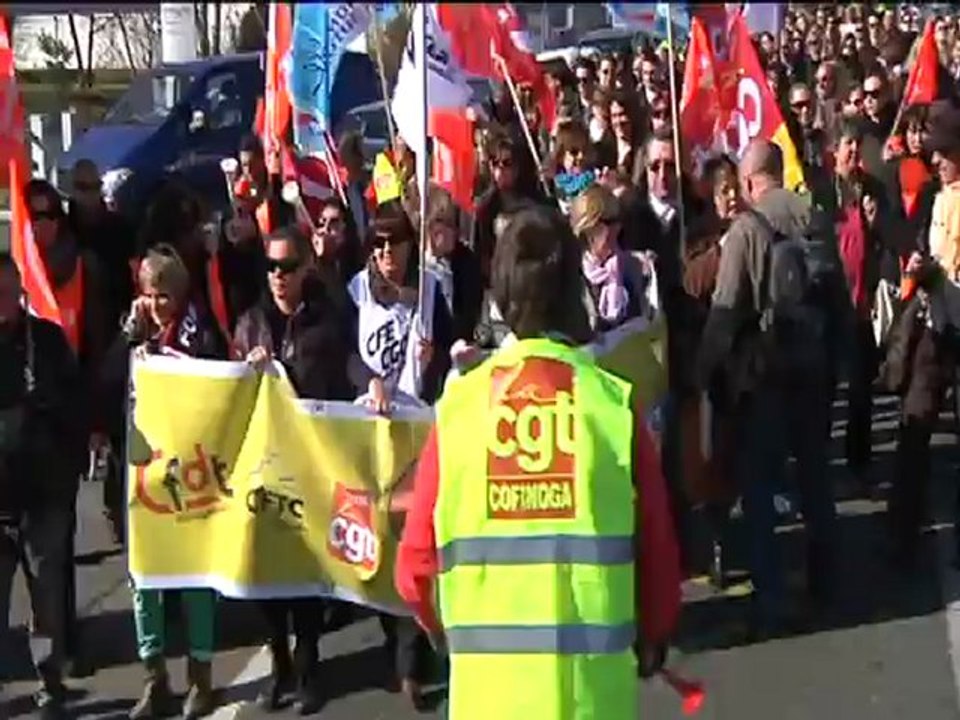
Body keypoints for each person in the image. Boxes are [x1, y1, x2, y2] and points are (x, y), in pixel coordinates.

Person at [395, 203, 681, 720]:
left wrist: (444, 633)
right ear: (574, 293)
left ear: (501, 296)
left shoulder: (458, 410)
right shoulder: (612, 405)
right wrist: (654, 634)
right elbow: (658, 552)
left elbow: (414, 568)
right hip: (592, 699)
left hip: (489, 700)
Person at [698, 140, 839, 633]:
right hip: (813, 366)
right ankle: (828, 579)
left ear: (749, 178)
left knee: (759, 489)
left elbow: (725, 310)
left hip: (765, 376)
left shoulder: (747, 230)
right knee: (815, 477)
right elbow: (836, 298)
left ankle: (771, 595)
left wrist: (705, 371)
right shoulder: (815, 218)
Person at [233, 226, 353, 713]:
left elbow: (349, 372)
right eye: (271, 267)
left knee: (304, 572)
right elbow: (228, 392)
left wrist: (375, 388)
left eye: (286, 266)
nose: (278, 276)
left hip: (309, 464)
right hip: (263, 465)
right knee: (265, 574)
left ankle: (308, 669)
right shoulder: (250, 324)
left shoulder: (327, 322)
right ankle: (278, 661)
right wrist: (247, 368)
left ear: (305, 268)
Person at [123, 247, 225, 719]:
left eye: (166, 295)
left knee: (193, 576)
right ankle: (154, 676)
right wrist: (132, 339)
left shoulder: (198, 330)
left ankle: (200, 677)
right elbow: (109, 381)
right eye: (151, 295)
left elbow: (217, 384)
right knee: (145, 576)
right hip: (144, 469)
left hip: (190, 468)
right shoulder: (133, 332)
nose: (159, 304)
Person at [0, 253, 84, 719]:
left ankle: (51, 684)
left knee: (47, 599)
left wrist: (65, 466)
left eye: (8, 291)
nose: (2, 301)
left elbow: (77, 403)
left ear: (20, 294)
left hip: (44, 497)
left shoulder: (46, 342)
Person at [886, 107, 960, 569]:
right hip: (937, 326)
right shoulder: (937, 195)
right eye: (934, 154)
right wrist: (920, 265)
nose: (937, 162)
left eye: (945, 154)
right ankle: (901, 531)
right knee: (913, 427)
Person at [569, 185, 655, 333]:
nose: (618, 228)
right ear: (590, 228)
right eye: (610, 221)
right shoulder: (571, 277)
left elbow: (652, 322)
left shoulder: (639, 268)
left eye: (619, 220)